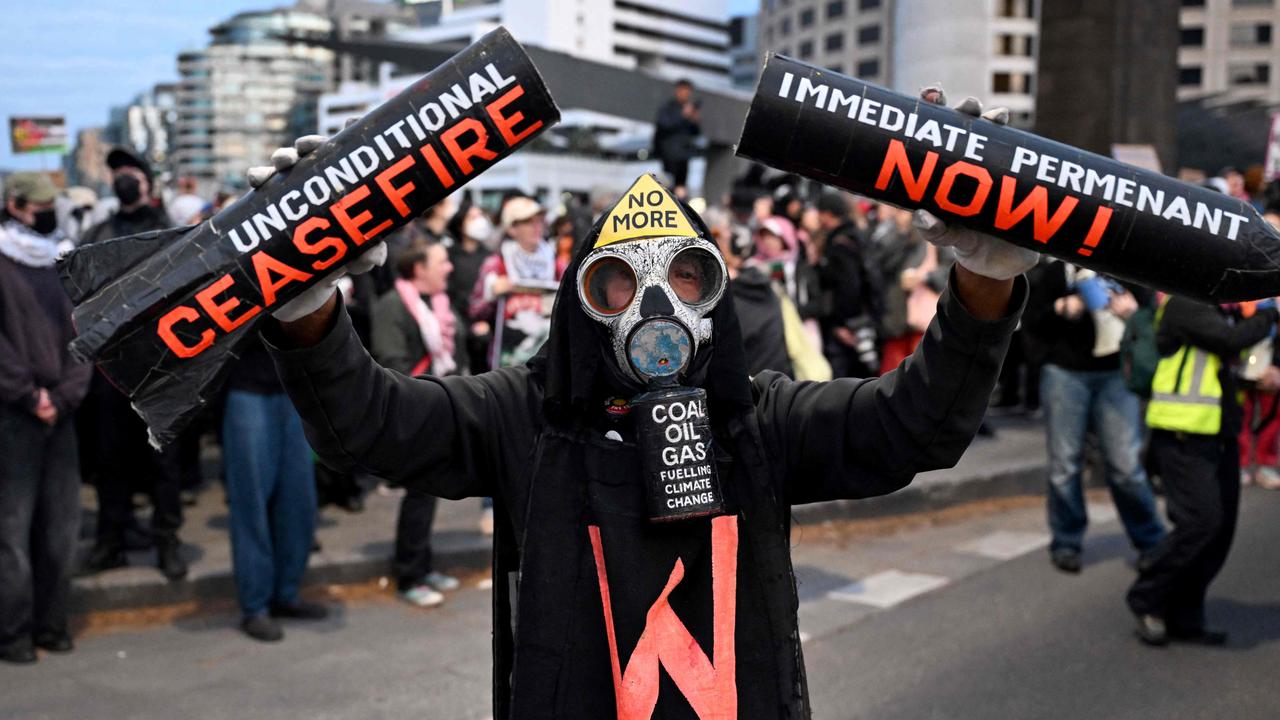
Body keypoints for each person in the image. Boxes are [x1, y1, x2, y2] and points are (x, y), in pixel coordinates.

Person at [250, 88, 1034, 714]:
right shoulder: (523, 417)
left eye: (685, 275)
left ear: (716, 295)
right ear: (581, 299)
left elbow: (913, 427)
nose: (654, 307)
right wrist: (307, 309)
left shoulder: (759, 421)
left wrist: (984, 283)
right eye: (617, 279)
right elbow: (370, 427)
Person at [1128, 296, 1279, 646]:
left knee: (1219, 533)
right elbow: (1227, 342)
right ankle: (1147, 596)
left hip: (1218, 434)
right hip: (1183, 434)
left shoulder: (1224, 311)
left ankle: (1185, 613)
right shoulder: (1186, 303)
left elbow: (1227, 360)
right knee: (1201, 523)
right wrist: (1271, 312)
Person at [77, 147, 191, 582]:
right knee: (112, 460)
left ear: (146, 182)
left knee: (164, 461)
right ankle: (112, 541)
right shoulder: (99, 231)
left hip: (161, 368)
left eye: (131, 172)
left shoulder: (168, 230)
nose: (124, 179)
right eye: (117, 173)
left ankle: (167, 540)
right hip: (111, 370)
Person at [0, 173, 92, 664]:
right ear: (15, 206)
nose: (45, 210)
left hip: (60, 412)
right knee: (11, 533)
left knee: (60, 527)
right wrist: (30, 396)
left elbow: (87, 332)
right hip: (14, 416)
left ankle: (52, 624)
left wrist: (65, 396)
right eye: (37, 204)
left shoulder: (64, 259)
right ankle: (14, 633)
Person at [1023, 261, 1165, 573]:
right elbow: (1029, 321)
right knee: (1064, 465)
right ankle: (1066, 541)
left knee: (1126, 466)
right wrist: (1060, 308)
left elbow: (1152, 318)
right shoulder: (1050, 273)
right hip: (1064, 373)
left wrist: (1130, 314)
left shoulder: (1125, 268)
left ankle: (1152, 541)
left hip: (1115, 375)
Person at [371, 239, 466, 608]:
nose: (449, 268)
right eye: (441, 262)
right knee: (419, 494)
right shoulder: (392, 306)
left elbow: (454, 354)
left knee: (428, 494)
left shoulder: (440, 305)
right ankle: (409, 574)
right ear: (419, 269)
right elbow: (391, 362)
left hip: (439, 409)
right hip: (412, 414)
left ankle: (423, 567)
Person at [814, 192, 883, 378]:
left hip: (848, 327)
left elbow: (849, 286)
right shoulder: (855, 236)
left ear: (827, 214)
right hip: (864, 322)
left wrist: (842, 324)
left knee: (844, 382)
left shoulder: (840, 243)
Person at [652, 79, 701, 193]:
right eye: (683, 90)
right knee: (668, 185)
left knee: (681, 188)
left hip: (684, 155)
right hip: (669, 155)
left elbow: (696, 133)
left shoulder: (690, 109)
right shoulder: (667, 108)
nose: (686, 94)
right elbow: (664, 125)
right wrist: (683, 115)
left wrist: (694, 120)